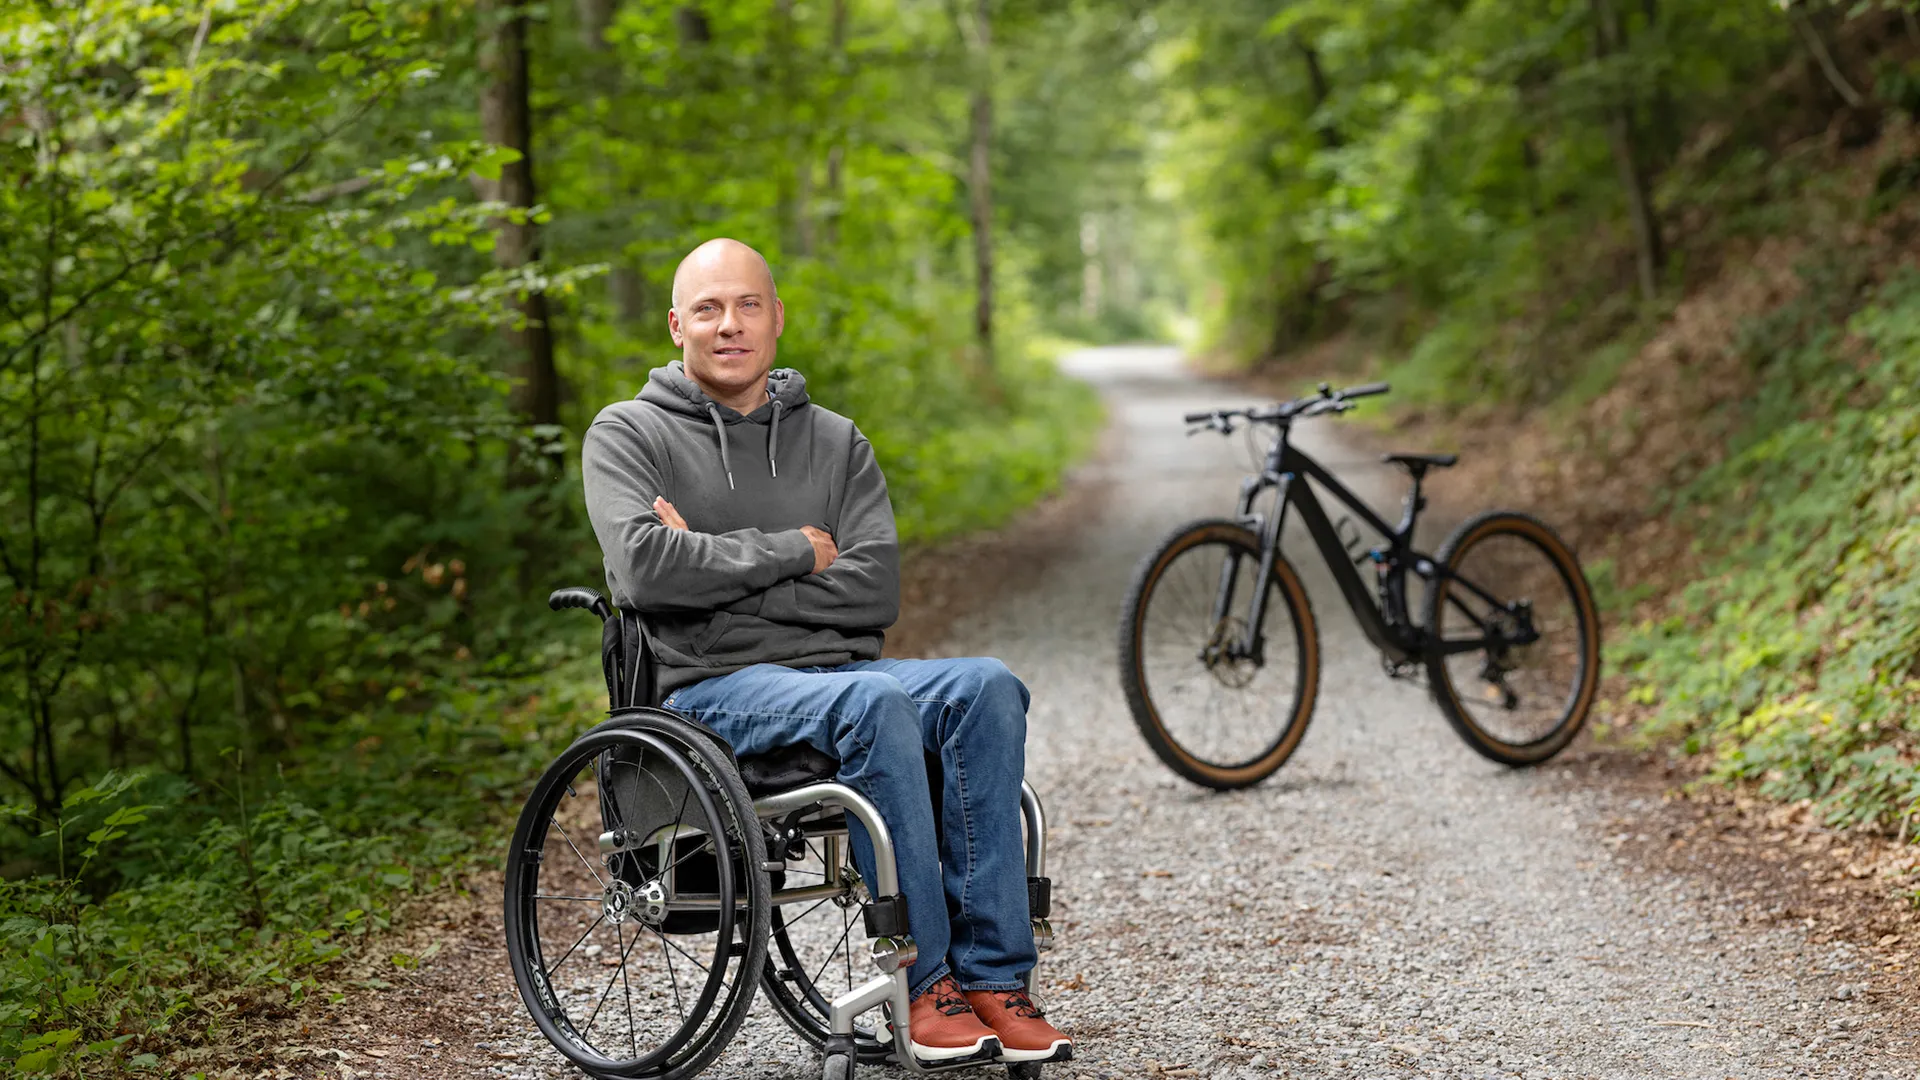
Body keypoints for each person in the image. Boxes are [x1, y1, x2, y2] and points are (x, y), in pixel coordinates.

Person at [579, 237, 1072, 1066]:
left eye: (746, 305)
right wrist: (799, 550)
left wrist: (712, 559)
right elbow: (648, 571)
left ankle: (995, 978)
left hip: (838, 675)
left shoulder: (837, 442)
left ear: (777, 318)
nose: (728, 324)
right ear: (676, 326)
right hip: (709, 691)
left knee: (985, 685)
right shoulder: (628, 435)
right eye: (707, 308)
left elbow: (875, 591)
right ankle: (924, 986)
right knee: (874, 702)